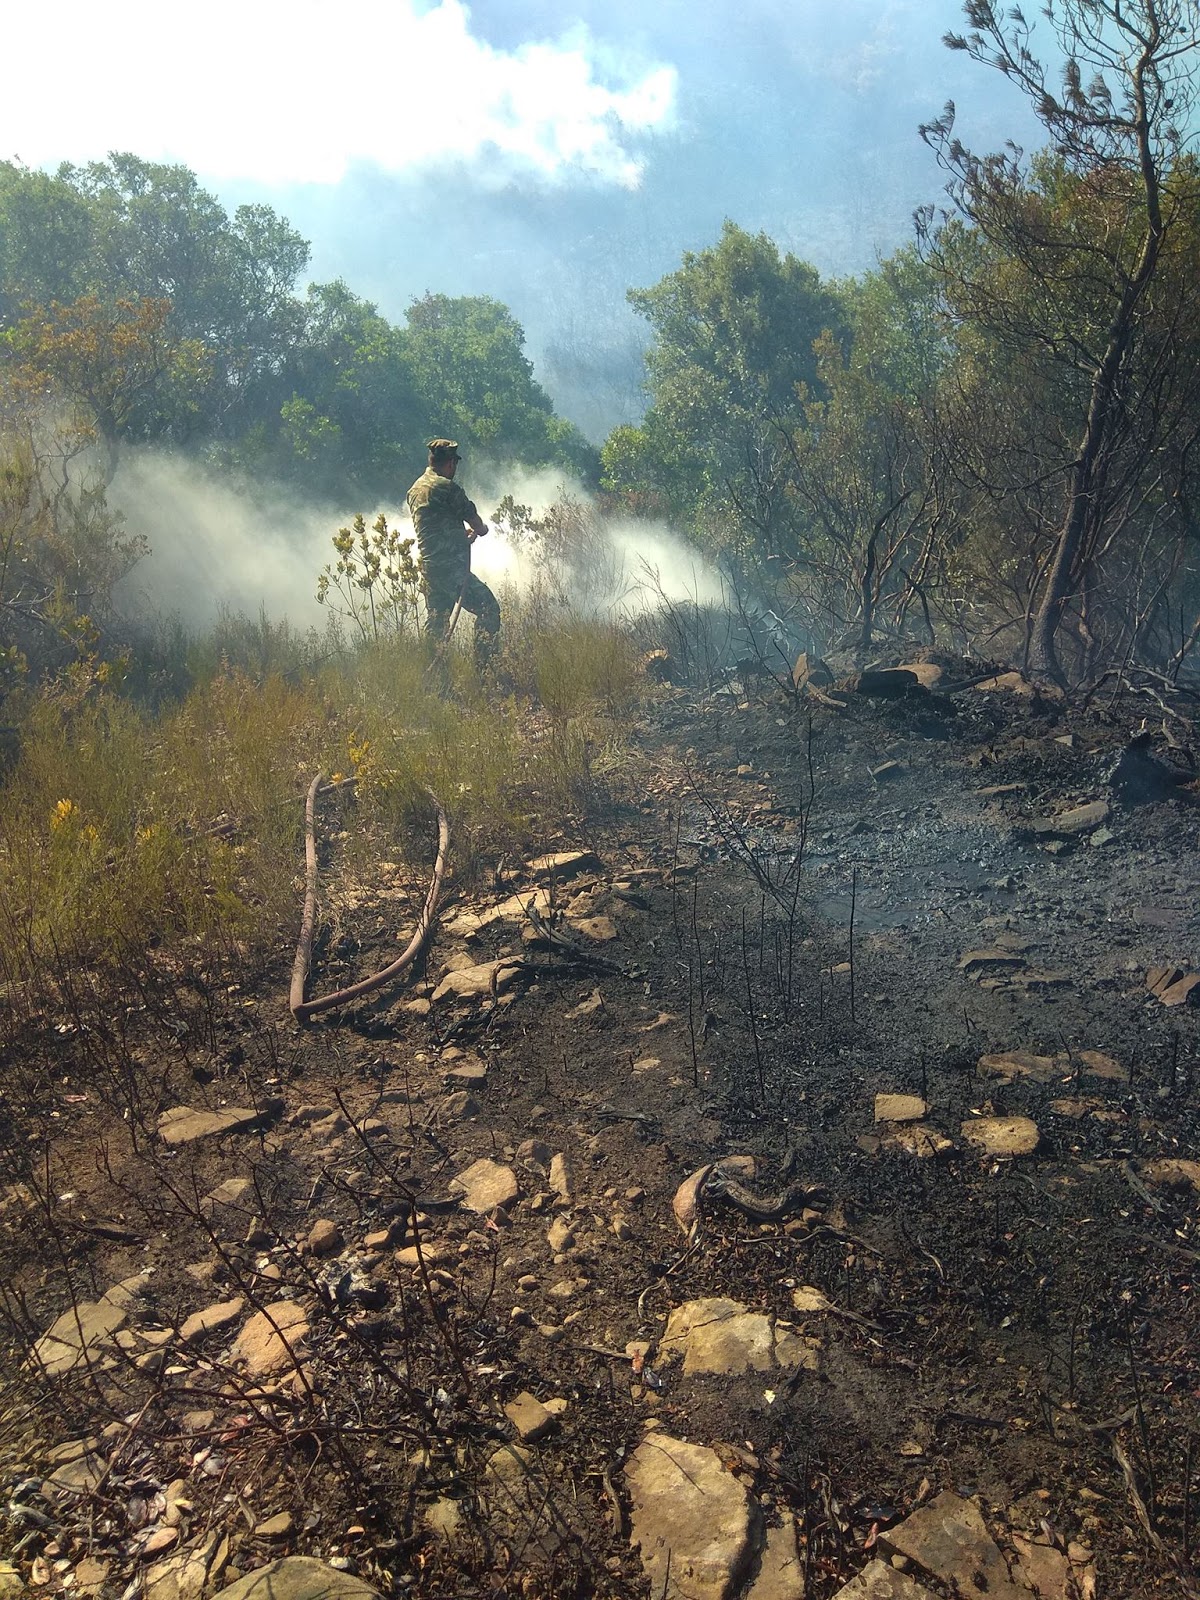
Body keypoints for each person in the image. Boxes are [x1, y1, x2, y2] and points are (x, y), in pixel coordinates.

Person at [406, 439, 501, 668]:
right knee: (489, 609)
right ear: (450, 463)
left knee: (437, 624)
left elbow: (435, 527)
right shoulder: (446, 487)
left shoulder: (415, 489)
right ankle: (485, 670)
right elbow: (473, 518)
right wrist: (480, 530)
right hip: (450, 568)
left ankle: (435, 677)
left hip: (430, 567)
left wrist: (459, 538)